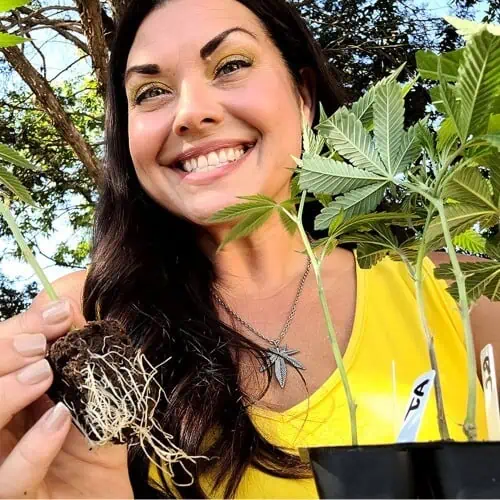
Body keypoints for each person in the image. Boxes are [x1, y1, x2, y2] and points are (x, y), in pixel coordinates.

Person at [0, 0, 499, 498]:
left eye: (231, 65)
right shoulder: (83, 316)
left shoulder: (464, 293)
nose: (191, 113)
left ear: (304, 96)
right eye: (151, 92)